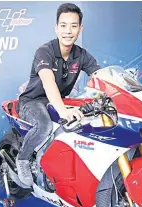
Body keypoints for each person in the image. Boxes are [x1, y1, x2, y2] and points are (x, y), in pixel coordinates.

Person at [16, 3, 101, 188]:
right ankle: (22, 159)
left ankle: (45, 157)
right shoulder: (44, 51)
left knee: (81, 125)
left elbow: (100, 76)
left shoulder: (81, 55)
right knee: (44, 125)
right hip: (32, 101)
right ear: (56, 28)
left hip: (58, 102)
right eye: (63, 25)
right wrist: (63, 111)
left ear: (80, 28)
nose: (68, 31)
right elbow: (48, 82)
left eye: (73, 25)